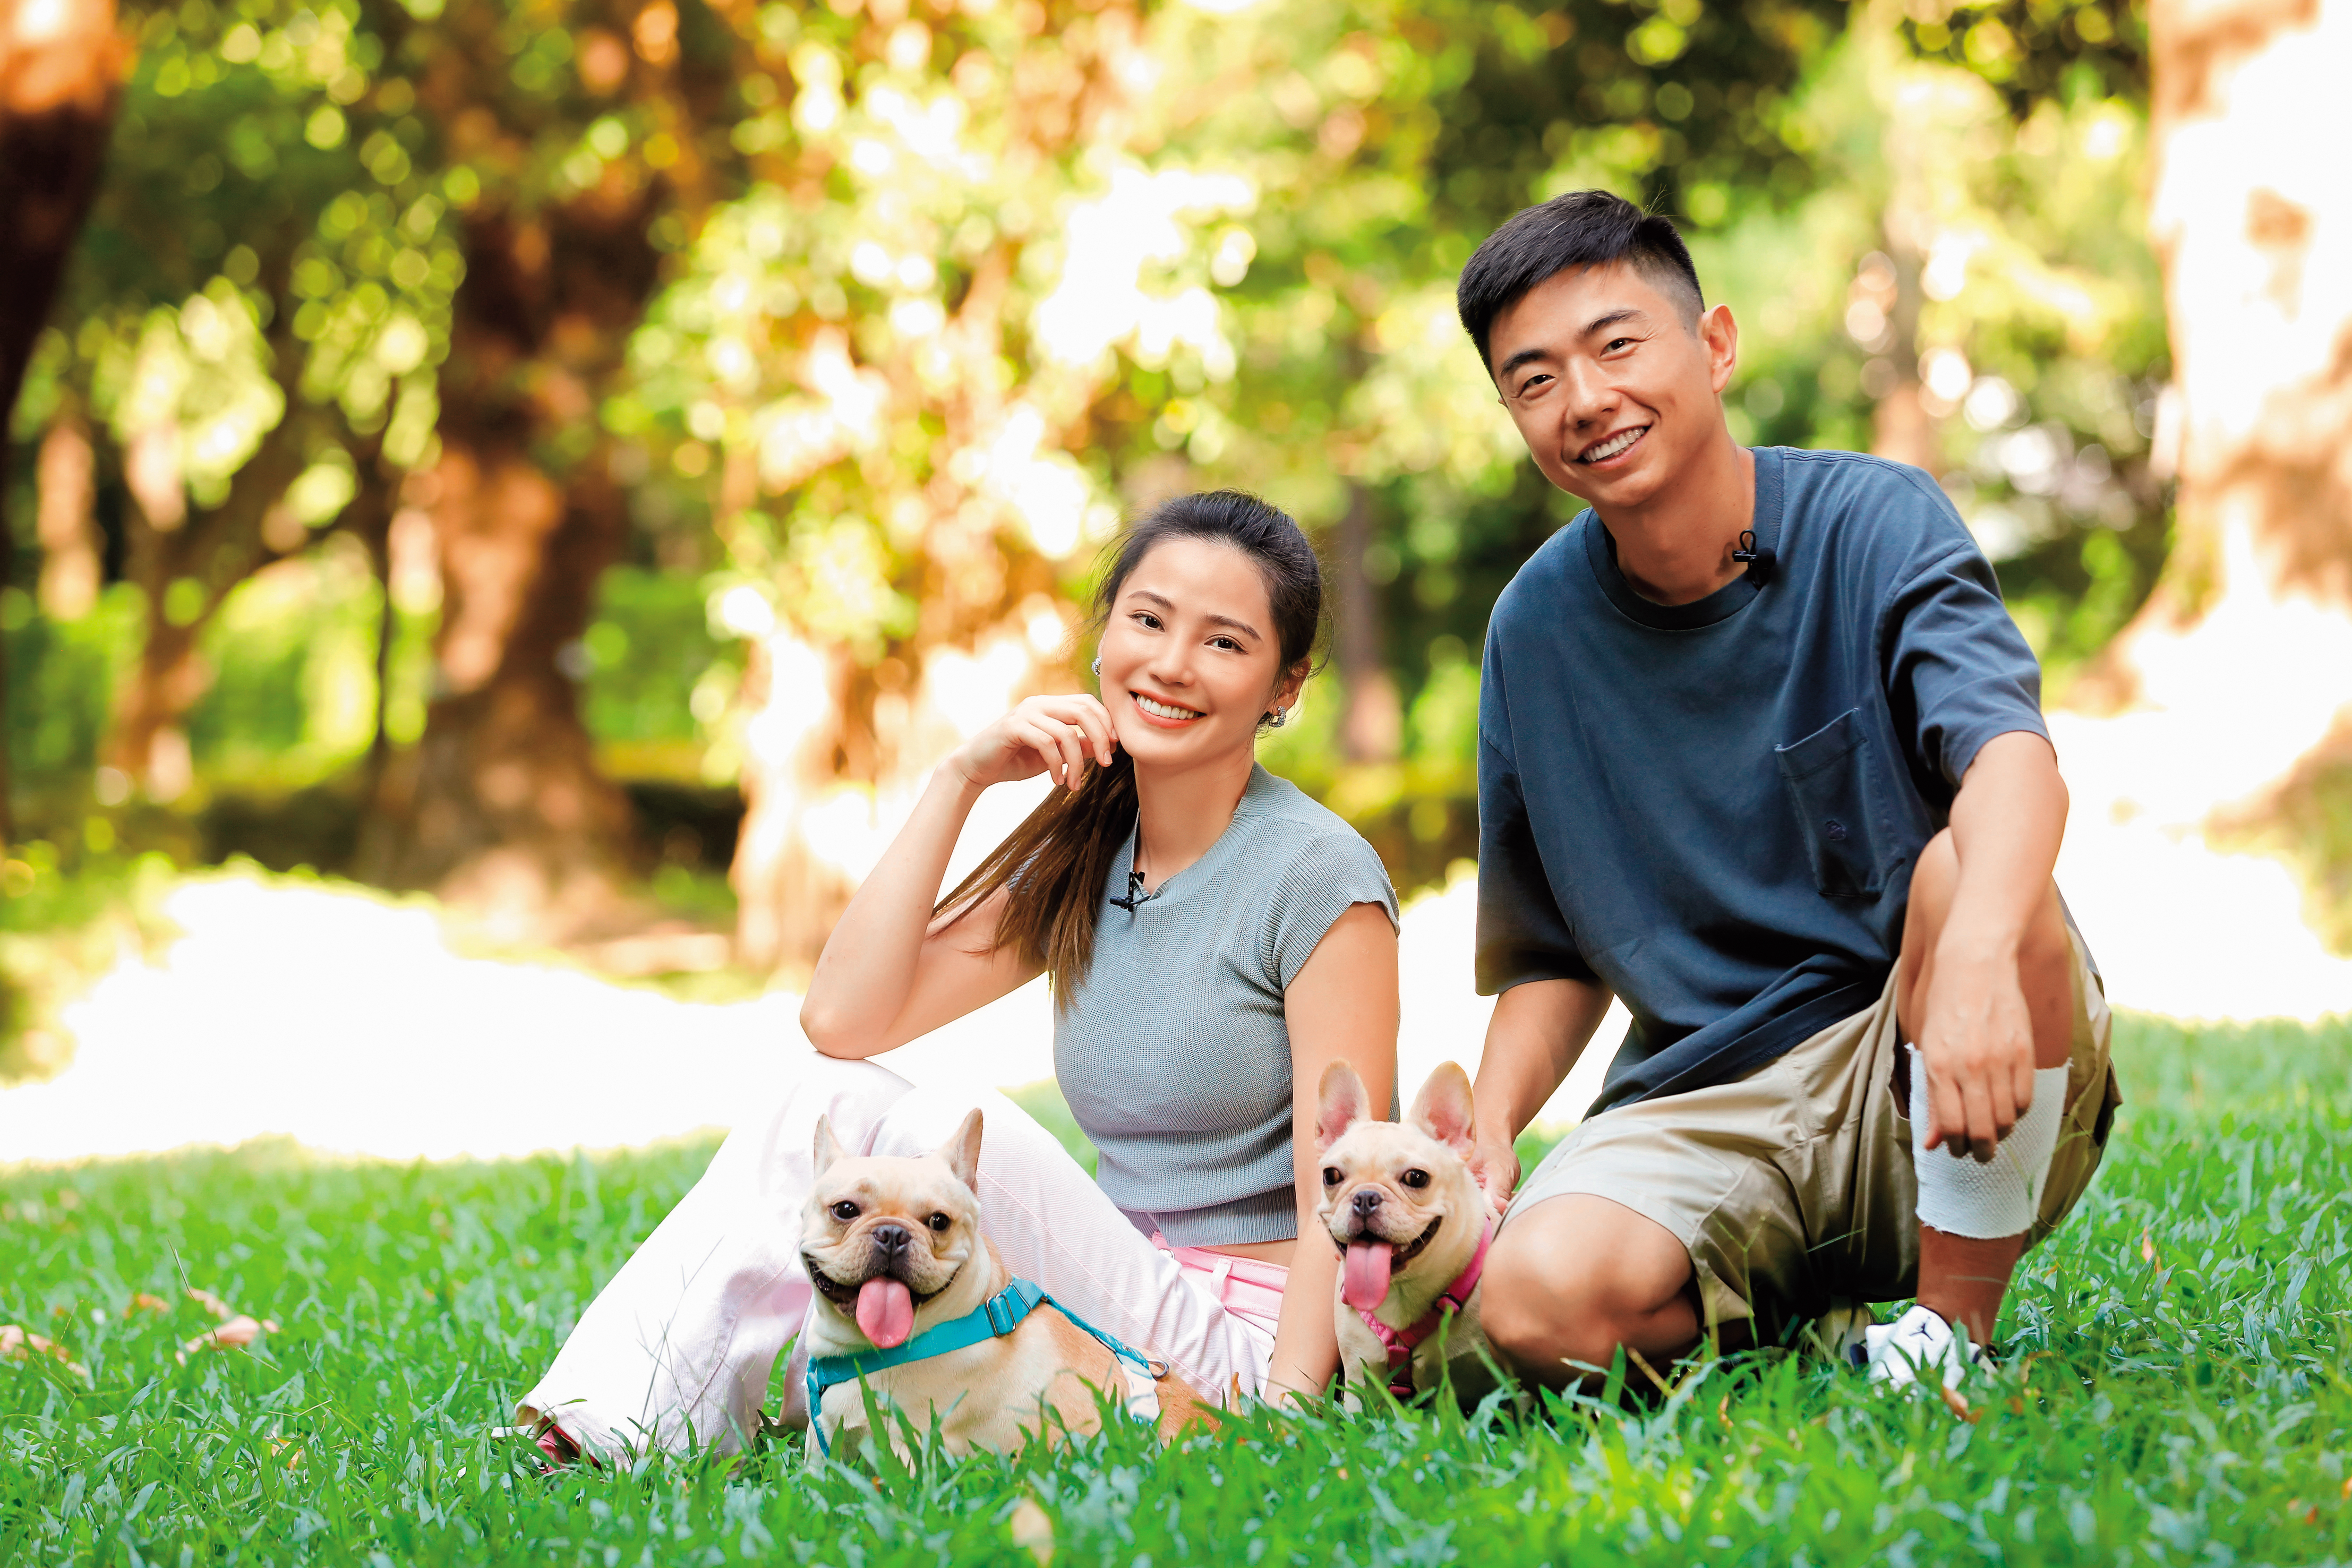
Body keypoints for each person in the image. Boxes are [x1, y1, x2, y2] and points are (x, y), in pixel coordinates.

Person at [518, 491, 1400, 1459]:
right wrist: (960, 780)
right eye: (1147, 620)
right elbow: (843, 1022)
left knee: (924, 1114)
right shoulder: (1093, 842)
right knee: (837, 1091)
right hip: (1097, 1305)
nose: (1171, 664)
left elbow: (1345, 1176)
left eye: (1224, 643)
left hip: (1245, 1343)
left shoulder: (1317, 875)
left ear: (1286, 683)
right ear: (1106, 634)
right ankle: (646, 1417)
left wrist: (1290, 1412)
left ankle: (623, 1428)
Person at [1453, 191, 2123, 1390]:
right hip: (1703, 1099)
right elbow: (1551, 949)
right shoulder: (1532, 630)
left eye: (1616, 345)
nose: (1586, 399)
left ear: (1712, 346)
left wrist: (1973, 956)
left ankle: (1946, 1334)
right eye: (1534, 379)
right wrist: (1489, 1128)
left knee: (1973, 873)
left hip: (1920, 1048)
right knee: (1527, 1307)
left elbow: (2009, 758)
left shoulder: (1872, 517)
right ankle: (1791, 1326)